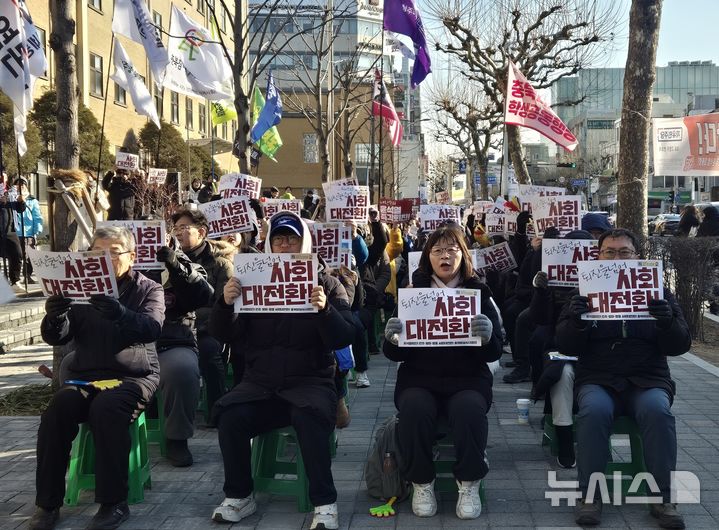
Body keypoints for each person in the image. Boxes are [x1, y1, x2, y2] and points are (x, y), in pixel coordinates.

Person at [208, 211, 355, 529]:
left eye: (292, 238)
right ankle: (239, 495)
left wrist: (324, 310)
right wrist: (224, 303)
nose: (286, 244)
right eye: (279, 238)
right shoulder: (250, 279)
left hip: (310, 383)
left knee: (309, 417)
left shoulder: (327, 282)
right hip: (260, 384)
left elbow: (346, 334)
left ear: (305, 242)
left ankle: (325, 503)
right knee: (231, 416)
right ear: (269, 244)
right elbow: (225, 334)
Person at [29, 226, 165, 530]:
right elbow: (58, 336)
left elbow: (151, 328)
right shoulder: (79, 288)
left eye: (113, 252)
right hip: (86, 376)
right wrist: (54, 316)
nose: (104, 258)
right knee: (56, 411)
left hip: (132, 376)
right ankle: (47, 504)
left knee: (107, 409)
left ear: (132, 256)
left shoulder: (149, 289)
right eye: (96, 253)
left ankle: (113, 502)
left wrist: (120, 313)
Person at [555, 228, 691, 529]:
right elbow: (565, 346)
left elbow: (681, 345)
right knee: (593, 412)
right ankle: (589, 496)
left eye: (625, 253)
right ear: (598, 256)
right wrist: (576, 322)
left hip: (648, 379)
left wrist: (667, 321)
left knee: (658, 412)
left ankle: (664, 497)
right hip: (599, 378)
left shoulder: (660, 293)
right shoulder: (582, 293)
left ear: (637, 257)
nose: (617, 258)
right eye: (610, 252)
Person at [383, 223, 502, 520]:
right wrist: (391, 337)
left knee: (469, 409)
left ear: (463, 255)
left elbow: (496, 351)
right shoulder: (414, 293)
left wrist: (489, 336)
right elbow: (394, 353)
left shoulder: (479, 292)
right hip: (419, 379)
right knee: (414, 407)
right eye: (437, 250)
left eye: (451, 250)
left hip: (469, 381)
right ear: (428, 257)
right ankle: (422, 482)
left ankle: (469, 481)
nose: (444, 256)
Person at [143, 240, 214, 467]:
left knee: (182, 369)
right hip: (122, 344)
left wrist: (176, 267)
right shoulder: (113, 267)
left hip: (171, 341)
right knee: (71, 364)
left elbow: (204, 296)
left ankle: (177, 437)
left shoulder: (185, 264)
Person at [170, 208, 234, 419]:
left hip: (208, 330)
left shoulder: (220, 264)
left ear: (202, 232)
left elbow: (222, 304)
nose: (178, 233)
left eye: (184, 228)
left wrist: (195, 319)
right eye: (175, 228)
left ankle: (216, 411)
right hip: (172, 329)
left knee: (208, 353)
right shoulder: (167, 262)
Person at [13, 177, 44, 282]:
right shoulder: (12, 199)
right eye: (18, 184)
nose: (21, 186)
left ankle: (27, 275)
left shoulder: (32, 200)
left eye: (23, 184)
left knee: (28, 255)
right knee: (17, 255)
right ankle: (15, 277)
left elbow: (37, 216)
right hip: (15, 232)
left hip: (28, 232)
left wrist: (37, 230)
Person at [0, 193, 25, 286]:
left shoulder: (10, 193)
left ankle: (15, 280)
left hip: (10, 230)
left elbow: (20, 209)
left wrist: (21, 201)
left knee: (17, 254)